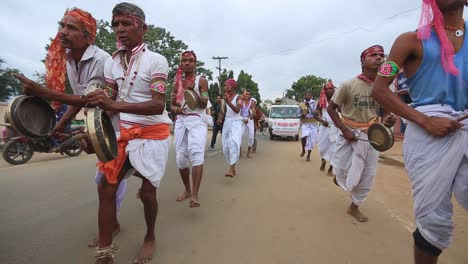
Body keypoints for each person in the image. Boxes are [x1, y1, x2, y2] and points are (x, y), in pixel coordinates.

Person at [12, 8, 127, 248]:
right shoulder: (69, 59)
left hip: (117, 127)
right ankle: (111, 224)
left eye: (71, 28)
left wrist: (42, 92)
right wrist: (57, 127)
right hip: (100, 125)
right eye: (61, 25)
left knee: (110, 182)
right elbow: (78, 98)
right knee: (108, 181)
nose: (63, 32)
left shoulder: (102, 60)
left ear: (89, 37)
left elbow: (90, 100)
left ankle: (114, 230)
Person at [371, 1, 468, 262]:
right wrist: (426, 121)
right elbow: (379, 90)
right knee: (433, 221)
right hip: (426, 136)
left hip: (465, 129)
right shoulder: (408, 41)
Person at [86, 3, 171, 263]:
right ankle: (104, 253)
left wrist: (113, 105)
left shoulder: (157, 60)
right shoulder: (112, 63)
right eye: (116, 25)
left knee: (147, 193)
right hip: (125, 133)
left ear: (143, 28)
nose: (120, 30)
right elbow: (109, 101)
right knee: (105, 187)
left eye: (127, 23)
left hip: (154, 133)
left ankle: (150, 237)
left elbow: (158, 104)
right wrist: (91, 132)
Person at [327, 45, 395, 223]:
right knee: (341, 169)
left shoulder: (385, 87)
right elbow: (331, 109)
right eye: (374, 55)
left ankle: (354, 207)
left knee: (368, 174)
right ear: (363, 61)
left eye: (381, 55)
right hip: (348, 134)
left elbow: (386, 112)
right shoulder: (349, 85)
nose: (379, 58)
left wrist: (387, 121)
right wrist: (345, 130)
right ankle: (340, 177)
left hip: (371, 136)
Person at [170, 50, 209, 208]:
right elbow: (171, 104)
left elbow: (204, 103)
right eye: (184, 60)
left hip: (197, 120)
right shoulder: (177, 81)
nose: (187, 63)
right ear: (181, 63)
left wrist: (192, 89)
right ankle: (187, 189)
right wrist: (176, 109)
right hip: (181, 121)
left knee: (197, 154)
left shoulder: (202, 81)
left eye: (190, 60)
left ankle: (195, 195)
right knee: (180, 157)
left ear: (195, 63)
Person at [218, 79, 244, 177]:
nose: (224, 87)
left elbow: (237, 110)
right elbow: (222, 110)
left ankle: (231, 169)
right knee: (225, 147)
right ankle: (232, 167)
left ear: (231, 86)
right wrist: (220, 119)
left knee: (233, 143)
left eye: (225, 85)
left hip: (236, 122)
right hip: (227, 122)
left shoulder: (239, 97)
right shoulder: (225, 97)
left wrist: (228, 101)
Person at [298, 91, 327, 162]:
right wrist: (302, 115)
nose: (307, 96)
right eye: (306, 95)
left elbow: (315, 113)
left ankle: (308, 155)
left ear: (311, 96)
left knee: (312, 141)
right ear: (304, 96)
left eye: (309, 95)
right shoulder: (301, 104)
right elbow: (297, 114)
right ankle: (303, 150)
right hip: (305, 123)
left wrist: (309, 107)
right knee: (304, 136)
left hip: (313, 124)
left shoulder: (315, 103)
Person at [317, 81, 337, 175]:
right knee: (322, 148)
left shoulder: (337, 100)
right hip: (324, 127)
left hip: (335, 128)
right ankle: (323, 161)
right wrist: (322, 121)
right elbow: (315, 115)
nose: (329, 91)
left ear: (334, 90)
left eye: (331, 89)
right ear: (325, 90)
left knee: (334, 149)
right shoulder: (321, 101)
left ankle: (331, 168)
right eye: (327, 89)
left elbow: (342, 111)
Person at [240, 90, 255, 158]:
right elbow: (238, 113)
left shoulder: (251, 104)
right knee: (239, 135)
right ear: (244, 95)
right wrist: (243, 119)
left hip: (249, 120)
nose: (247, 95)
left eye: (248, 94)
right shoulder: (241, 102)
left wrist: (251, 114)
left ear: (250, 96)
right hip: (241, 119)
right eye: (246, 94)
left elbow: (252, 116)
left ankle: (248, 152)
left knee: (251, 136)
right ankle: (240, 151)